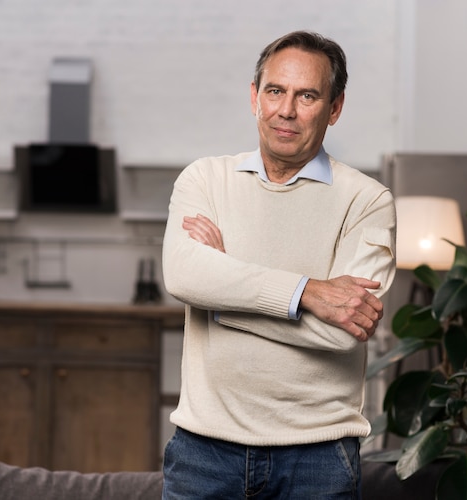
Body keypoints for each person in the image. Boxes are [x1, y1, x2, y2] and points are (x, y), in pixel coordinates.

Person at [161, 30, 396, 499]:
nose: (286, 110)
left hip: (318, 459)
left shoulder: (367, 201)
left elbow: (339, 330)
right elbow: (185, 276)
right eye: (275, 91)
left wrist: (221, 301)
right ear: (254, 97)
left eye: (307, 95)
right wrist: (309, 293)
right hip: (203, 454)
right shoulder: (205, 179)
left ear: (334, 108)